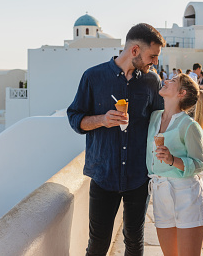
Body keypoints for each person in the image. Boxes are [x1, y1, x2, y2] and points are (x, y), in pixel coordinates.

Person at [67, 23, 165, 256]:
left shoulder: (152, 82)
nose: (155, 62)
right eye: (152, 56)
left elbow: (161, 123)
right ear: (134, 51)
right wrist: (102, 119)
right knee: (98, 244)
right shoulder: (93, 77)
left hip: (138, 178)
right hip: (103, 175)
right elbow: (74, 119)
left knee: (134, 241)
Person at [147, 73, 203, 255]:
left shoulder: (189, 126)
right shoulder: (154, 118)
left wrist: (172, 160)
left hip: (187, 195)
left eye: (172, 81)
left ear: (181, 93)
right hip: (160, 192)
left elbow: (198, 164)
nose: (166, 81)